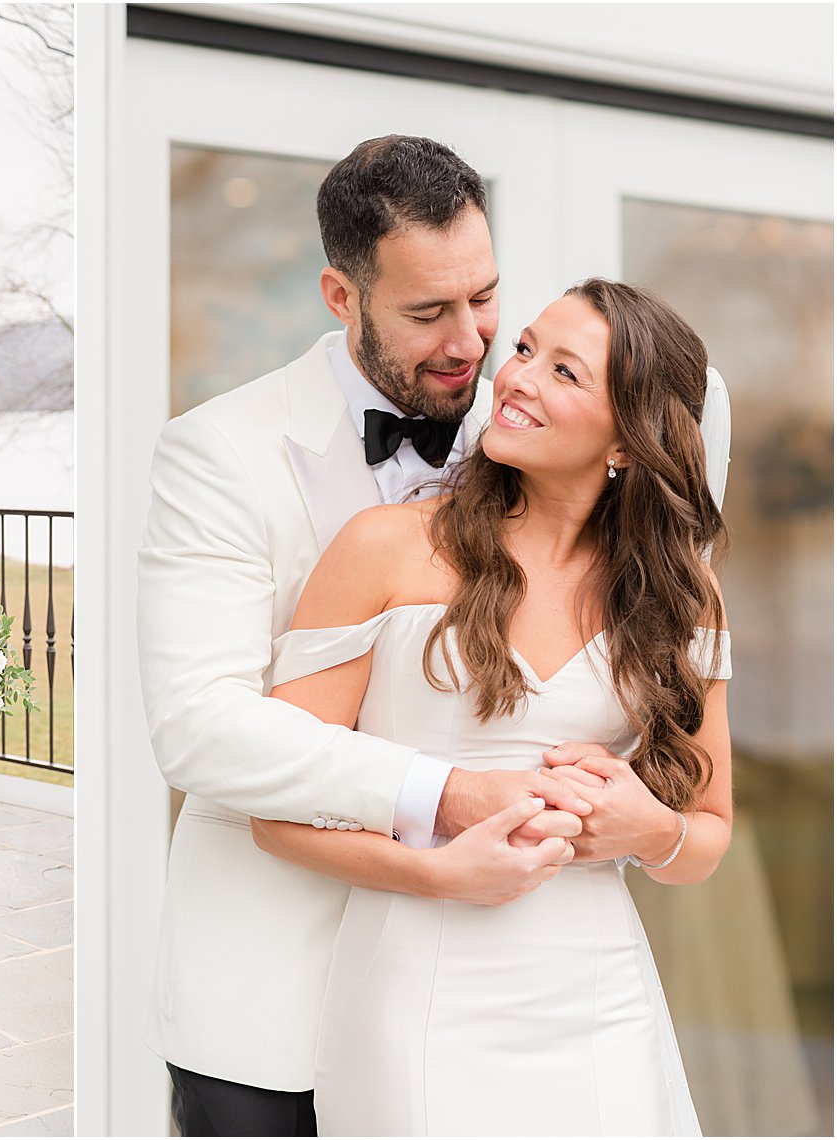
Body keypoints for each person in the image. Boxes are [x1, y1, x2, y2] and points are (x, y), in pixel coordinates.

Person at [135, 136, 732, 1136]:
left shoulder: (526, 417)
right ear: (340, 295)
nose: (477, 346)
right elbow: (198, 732)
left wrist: (648, 827)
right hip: (274, 982)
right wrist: (448, 801)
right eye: (427, 313)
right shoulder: (218, 456)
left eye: (485, 299)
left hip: (553, 979)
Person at [256, 278, 730, 1135]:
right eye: (524, 350)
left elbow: (707, 836)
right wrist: (439, 871)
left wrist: (650, 829)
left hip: (600, 1000)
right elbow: (275, 808)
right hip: (416, 994)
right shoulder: (387, 549)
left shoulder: (681, 601)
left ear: (629, 436)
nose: (515, 377)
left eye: (565, 371)